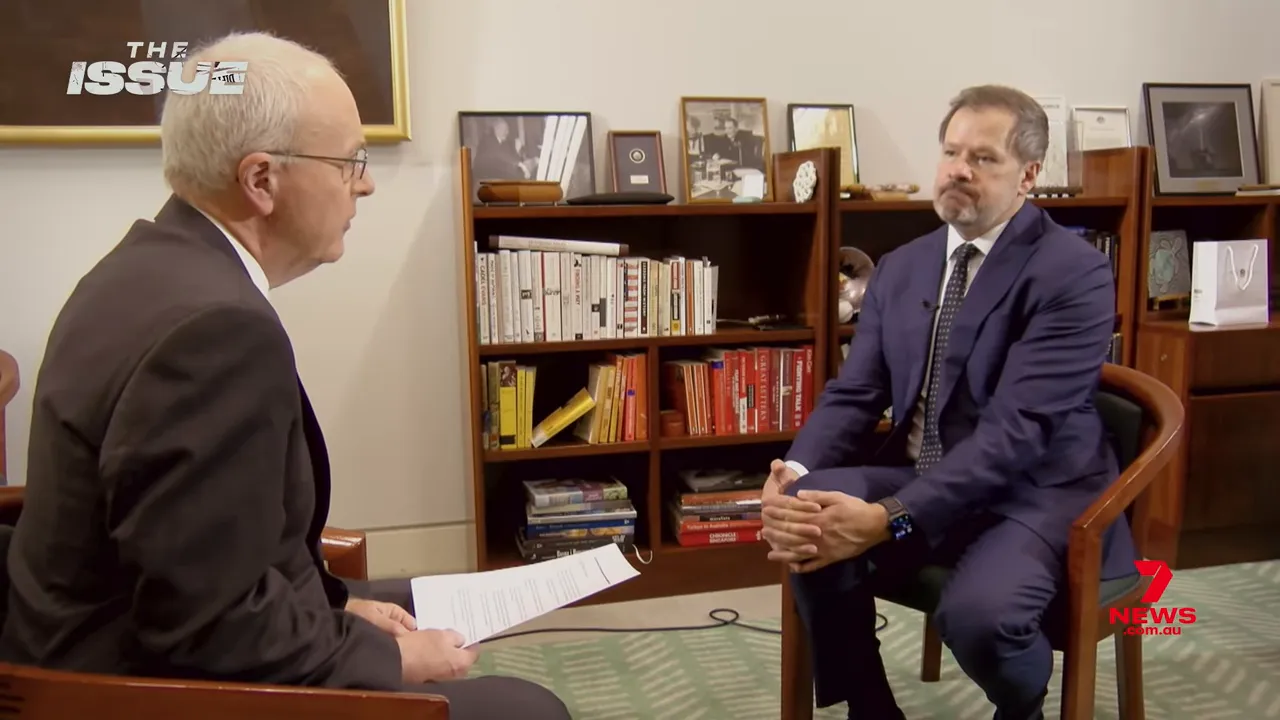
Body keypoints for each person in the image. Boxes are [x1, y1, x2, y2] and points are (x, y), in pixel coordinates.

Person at [0, 31, 569, 720]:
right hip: (129, 688)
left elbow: (210, 549)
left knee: (415, 599)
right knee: (527, 707)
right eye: (349, 161)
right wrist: (384, 658)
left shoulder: (141, 267)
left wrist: (342, 609)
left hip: (113, 637)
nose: (365, 181)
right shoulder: (214, 333)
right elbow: (207, 624)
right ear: (261, 180)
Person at [761, 85, 1137, 720]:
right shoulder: (905, 267)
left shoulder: (1073, 272)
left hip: (1033, 493)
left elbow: (1015, 436)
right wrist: (792, 471)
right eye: (951, 151)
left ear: (1028, 175)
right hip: (924, 473)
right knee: (804, 510)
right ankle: (870, 706)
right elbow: (857, 392)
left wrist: (890, 518)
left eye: (983, 158)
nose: (959, 169)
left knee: (982, 619)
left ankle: (1023, 708)